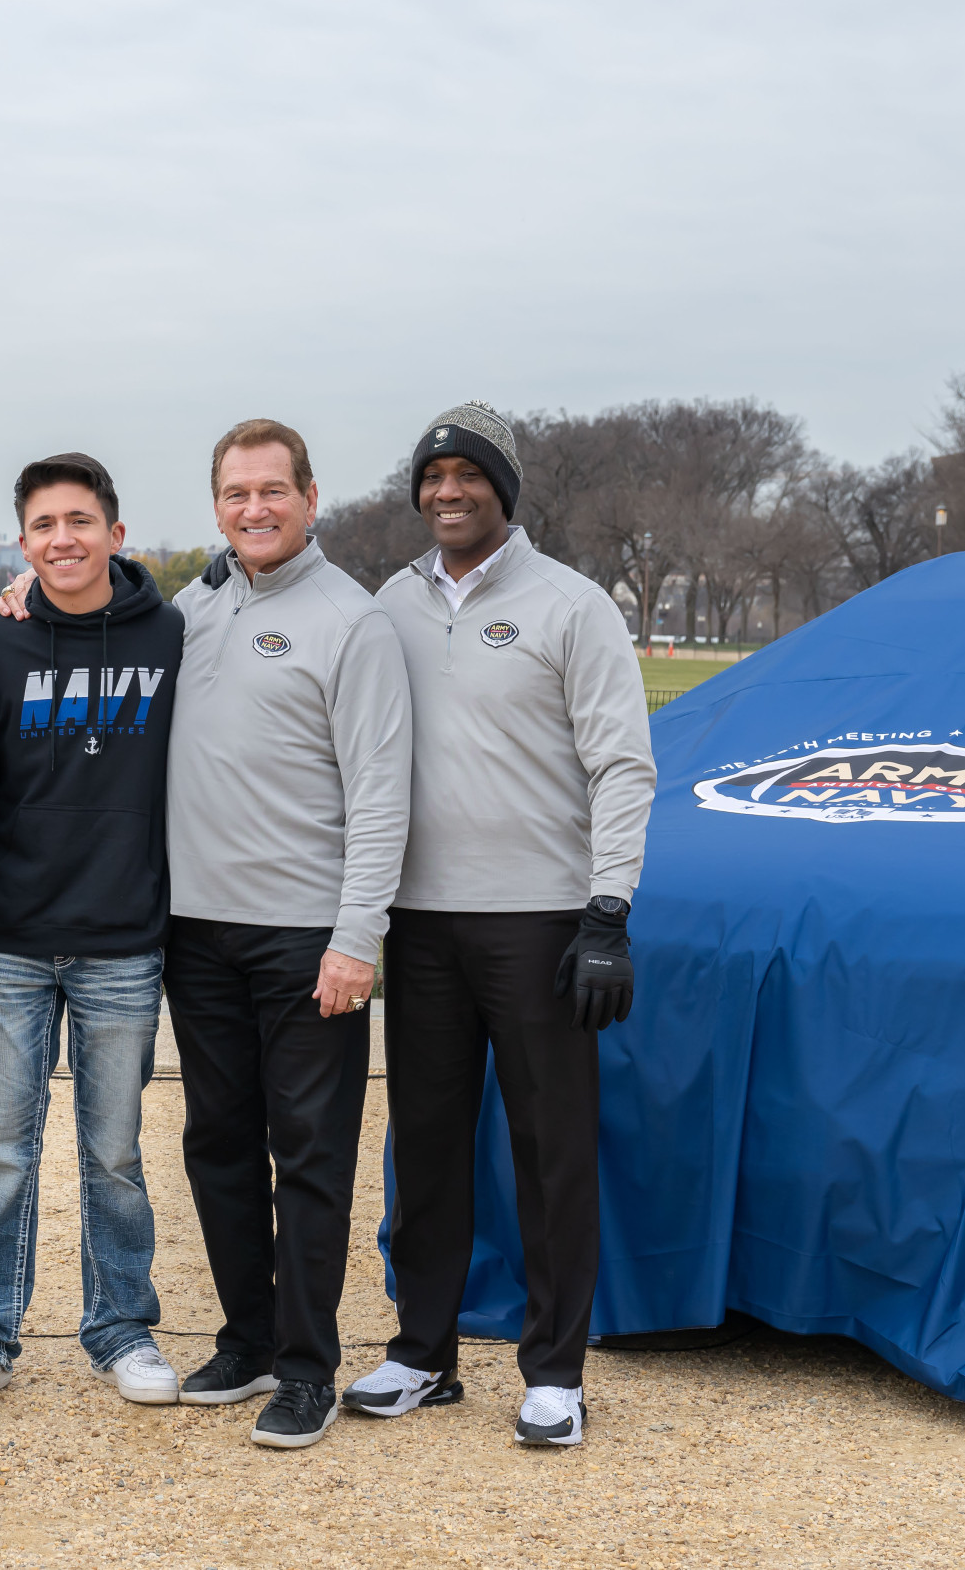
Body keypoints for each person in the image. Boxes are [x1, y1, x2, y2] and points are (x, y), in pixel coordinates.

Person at [345, 402, 654, 1448]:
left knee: (549, 1148)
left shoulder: (571, 605)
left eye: (467, 473)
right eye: (431, 474)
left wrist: (608, 907)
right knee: (426, 1142)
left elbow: (622, 763)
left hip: (541, 920)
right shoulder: (388, 602)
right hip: (419, 921)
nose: (446, 490)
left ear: (502, 489)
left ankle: (556, 1369)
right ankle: (422, 1353)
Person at [162, 417, 411, 1451]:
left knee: (307, 1155)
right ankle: (249, 1335)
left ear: (309, 497)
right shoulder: (187, 608)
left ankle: (308, 1365)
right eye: (235, 492)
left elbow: (383, 792)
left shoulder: (351, 621)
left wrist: (356, 937)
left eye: (272, 490)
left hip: (307, 935)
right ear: (215, 503)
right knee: (217, 1143)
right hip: (194, 929)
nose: (254, 508)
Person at [0, 454, 184, 1410]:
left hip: (123, 935)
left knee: (114, 1151)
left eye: (81, 521)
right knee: (3, 1147)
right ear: (23, 541)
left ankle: (121, 1326)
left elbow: (239, 583)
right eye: (44, 525)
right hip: (10, 935)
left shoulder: (170, 634)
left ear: (116, 535)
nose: (63, 539)